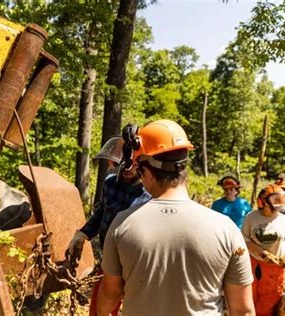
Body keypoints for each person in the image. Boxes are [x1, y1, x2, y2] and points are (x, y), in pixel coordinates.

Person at [98, 120, 255, 316]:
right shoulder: (226, 228)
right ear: (184, 168)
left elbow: (109, 294)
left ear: (145, 171)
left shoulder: (122, 224)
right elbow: (243, 310)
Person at [68, 135, 150, 316]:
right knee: (98, 311)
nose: (125, 171)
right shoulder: (110, 184)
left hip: (136, 267)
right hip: (110, 262)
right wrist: (83, 234)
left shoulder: (149, 196)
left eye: (132, 166)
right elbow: (100, 215)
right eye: (117, 165)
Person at [241, 184, 285, 316]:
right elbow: (244, 239)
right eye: (275, 202)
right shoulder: (251, 217)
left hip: (276, 267)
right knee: (249, 295)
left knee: (271, 298)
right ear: (264, 201)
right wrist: (261, 252)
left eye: (280, 202)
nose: (277, 207)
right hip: (253, 262)